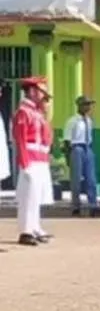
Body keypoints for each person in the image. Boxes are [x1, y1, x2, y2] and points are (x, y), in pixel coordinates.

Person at [12, 76, 54, 246]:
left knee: (36, 197)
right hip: (30, 159)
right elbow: (20, 138)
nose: (43, 96)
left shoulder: (37, 112)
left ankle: (35, 227)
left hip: (40, 159)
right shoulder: (24, 111)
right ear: (31, 91)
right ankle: (25, 231)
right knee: (28, 197)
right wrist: (24, 161)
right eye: (40, 92)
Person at [63, 95, 100, 217]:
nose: (89, 107)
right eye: (86, 104)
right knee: (76, 179)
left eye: (89, 104)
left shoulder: (89, 121)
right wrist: (68, 156)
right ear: (79, 106)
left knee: (91, 178)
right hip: (76, 148)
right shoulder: (72, 121)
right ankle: (76, 206)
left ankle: (93, 205)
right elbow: (67, 140)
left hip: (87, 148)